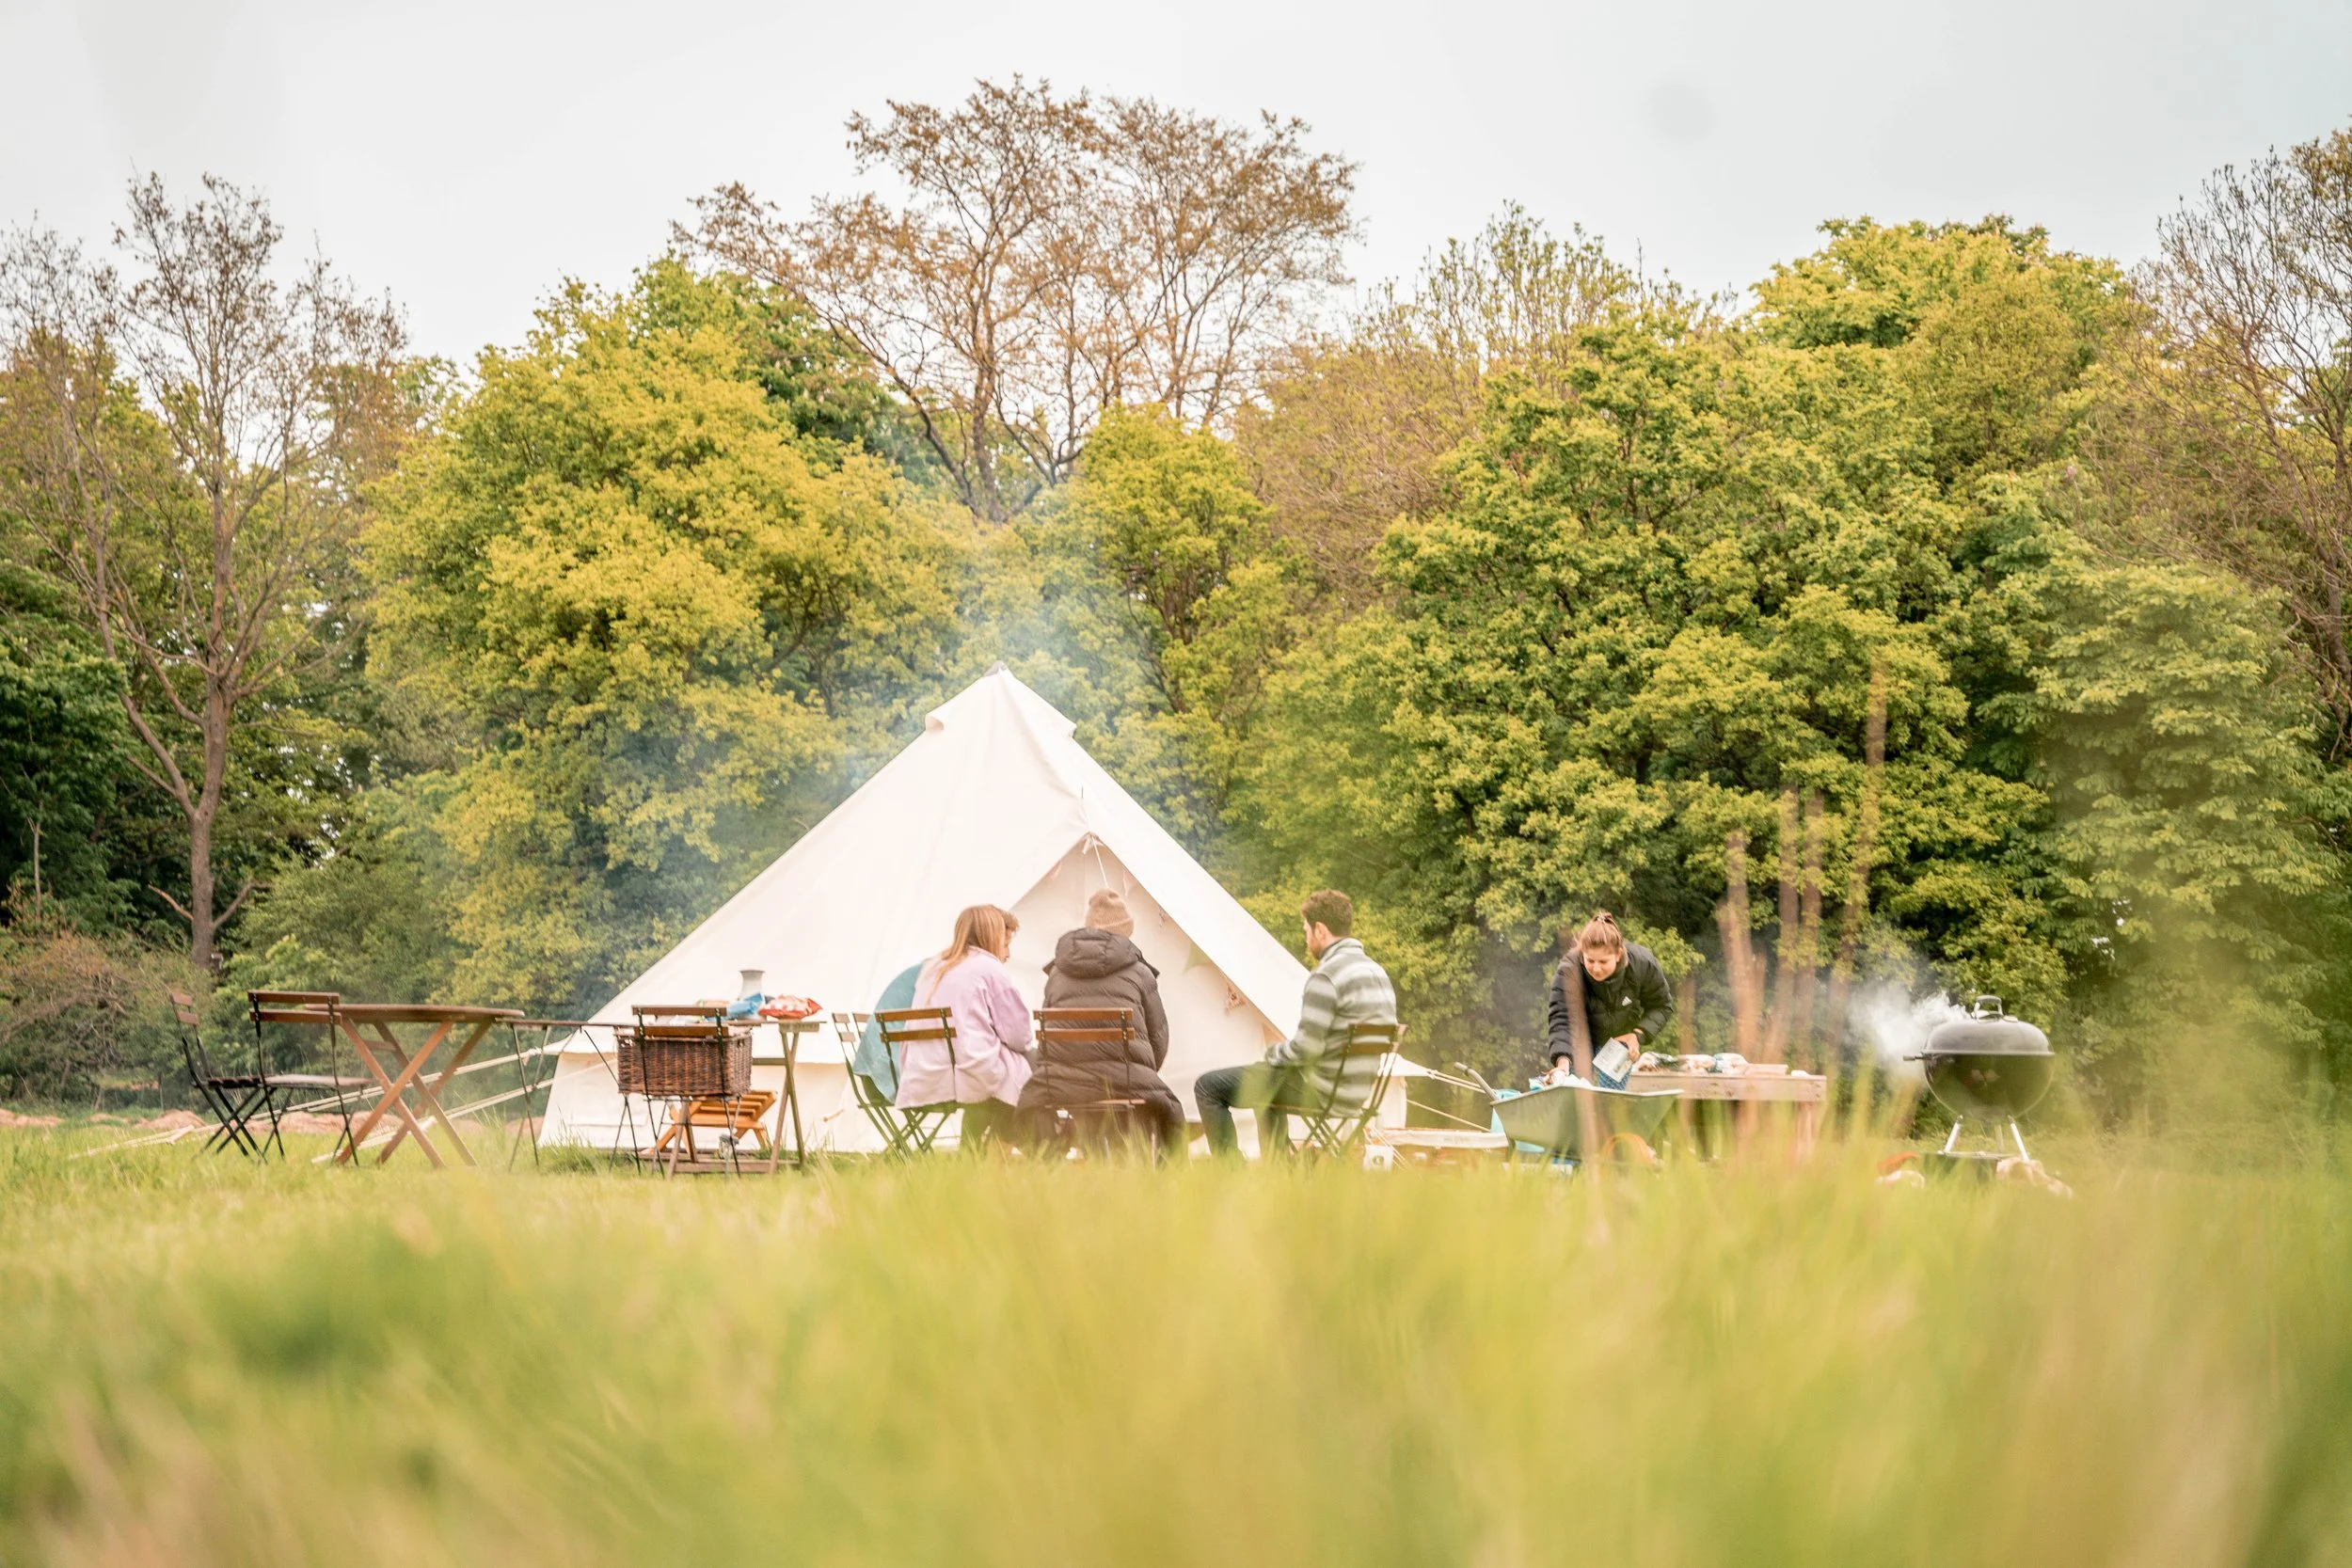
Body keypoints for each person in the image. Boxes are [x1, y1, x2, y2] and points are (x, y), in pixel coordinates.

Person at [1195, 889, 1397, 1157]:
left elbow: (1306, 1049)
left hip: (1321, 1089)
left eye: (1306, 931)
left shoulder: (1327, 976)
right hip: (1357, 1090)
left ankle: (1230, 1173)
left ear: (1321, 930)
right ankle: (1278, 1171)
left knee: (1209, 1087)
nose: (1307, 939)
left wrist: (1273, 1053)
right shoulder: (1376, 972)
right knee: (1267, 1083)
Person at [1021, 888, 1184, 1149]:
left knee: (1079, 1095)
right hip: (1126, 1080)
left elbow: (1049, 1033)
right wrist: (1143, 1070)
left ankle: (1057, 1161)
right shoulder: (1141, 972)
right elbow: (1158, 1035)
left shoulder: (1056, 973)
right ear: (1123, 933)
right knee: (1157, 1103)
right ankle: (1153, 1173)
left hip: (1061, 1081)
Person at [898, 904, 1034, 1152]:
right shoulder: (989, 969)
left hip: (922, 1072)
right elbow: (1020, 1036)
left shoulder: (933, 967)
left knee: (999, 1080)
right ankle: (1036, 1146)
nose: (1008, 953)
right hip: (967, 1072)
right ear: (993, 934)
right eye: (1006, 942)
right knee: (1030, 1068)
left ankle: (974, 1153)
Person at [1545, 911, 1673, 1086]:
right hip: (1580, 1037)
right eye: (1590, 961)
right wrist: (1562, 1062)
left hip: (1620, 1037)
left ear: (1618, 954)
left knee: (1612, 1100)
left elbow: (1662, 1006)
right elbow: (1561, 1018)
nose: (1596, 969)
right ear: (1582, 954)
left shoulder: (1642, 963)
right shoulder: (1569, 970)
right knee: (1576, 1095)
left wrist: (1637, 1035)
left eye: (1603, 962)